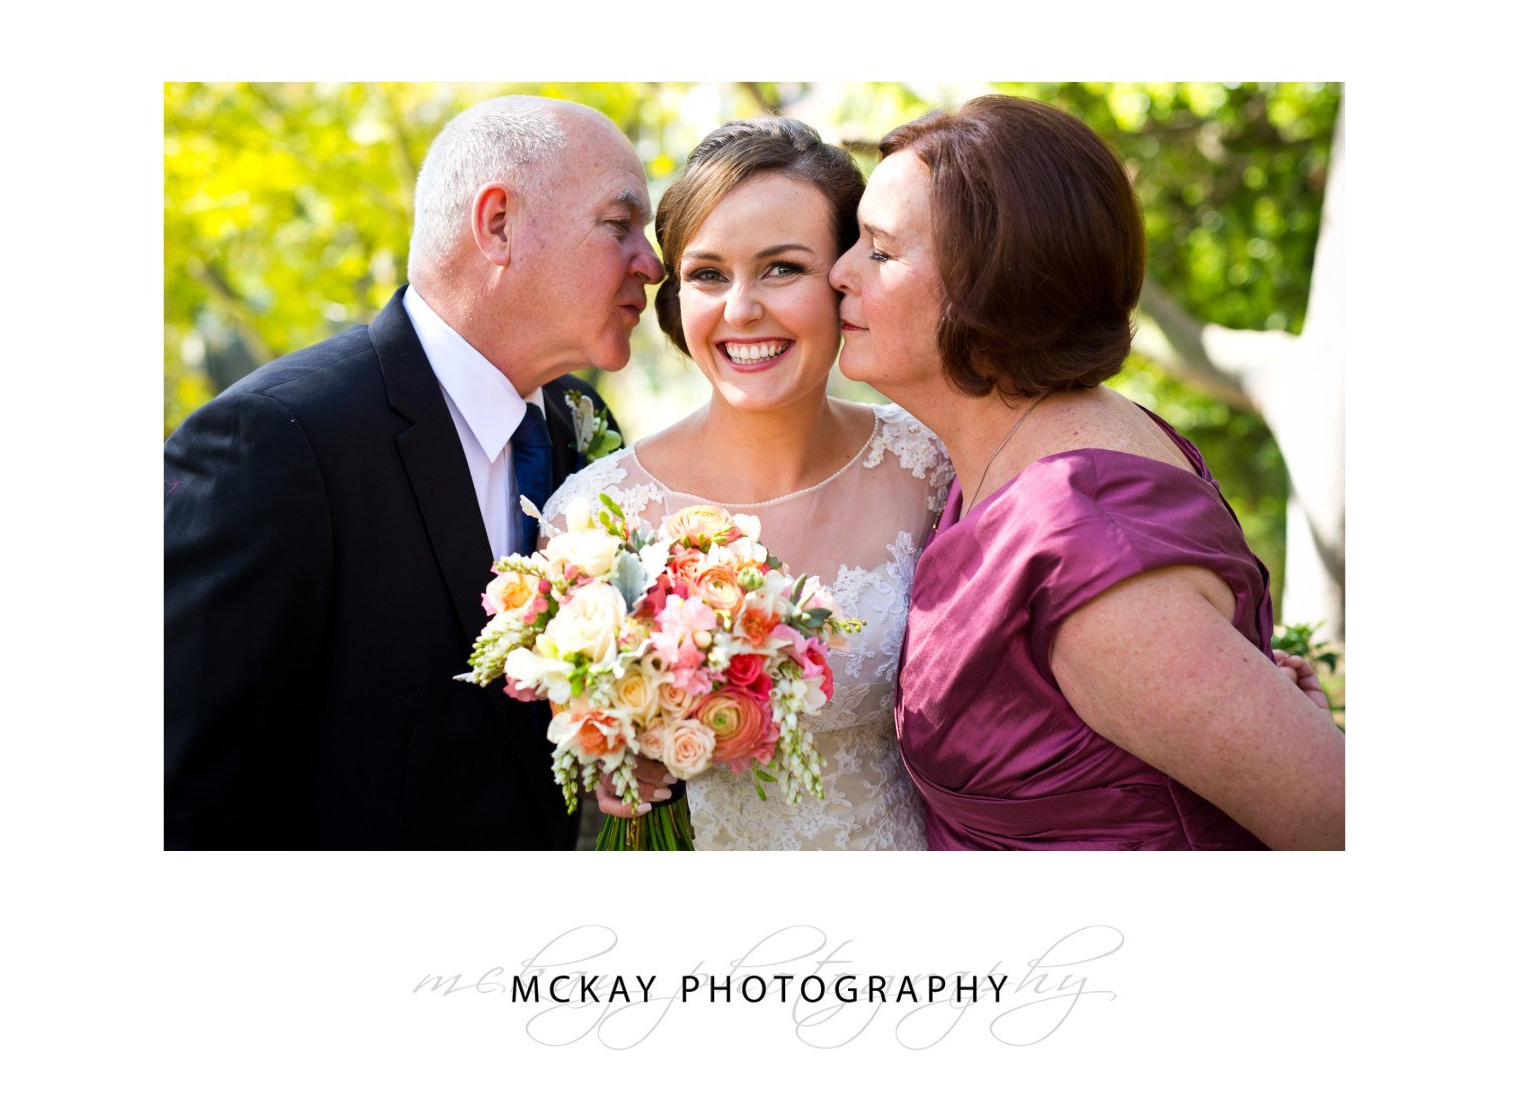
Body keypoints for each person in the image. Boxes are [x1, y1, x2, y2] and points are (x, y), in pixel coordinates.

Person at [828, 95, 1344, 850]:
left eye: (878, 249)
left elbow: (1336, 820)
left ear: (990, 281)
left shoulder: (1084, 539)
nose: (839, 272)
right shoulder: (1012, 447)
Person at [165, 96, 663, 849]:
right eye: (619, 225)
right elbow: (187, 793)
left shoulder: (578, 429)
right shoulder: (274, 441)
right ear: (497, 224)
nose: (651, 265)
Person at [546, 117, 951, 850]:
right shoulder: (594, 518)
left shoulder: (930, 467)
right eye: (706, 274)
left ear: (846, 280)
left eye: (781, 268)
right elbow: (573, 762)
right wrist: (610, 767)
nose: (739, 310)